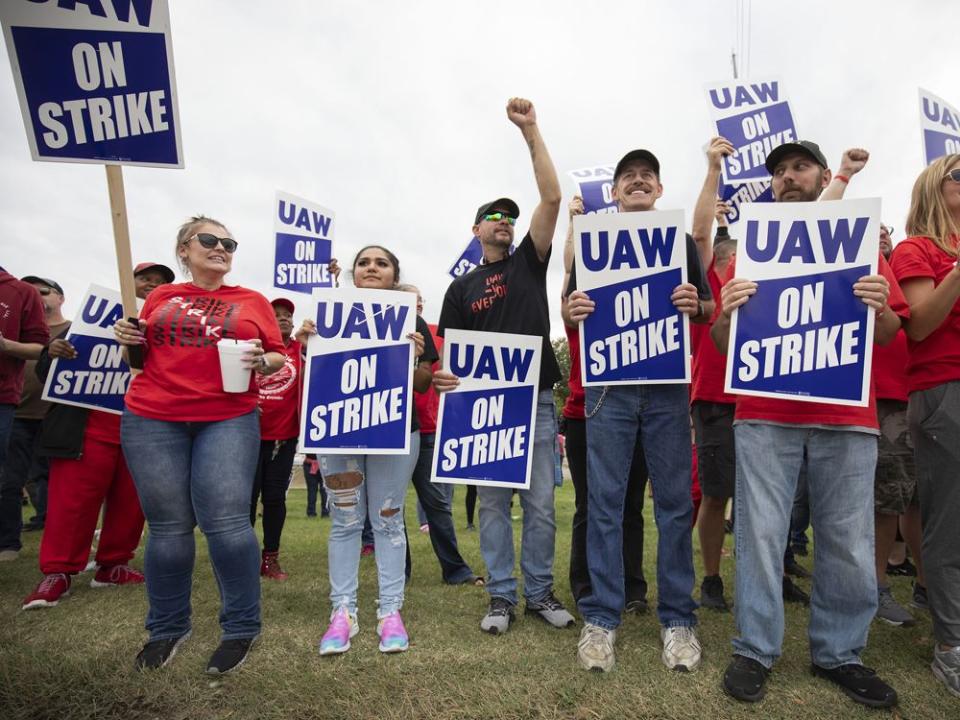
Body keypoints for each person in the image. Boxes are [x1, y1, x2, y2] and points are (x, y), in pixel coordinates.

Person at [713, 141, 904, 708]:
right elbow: (726, 345)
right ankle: (754, 648)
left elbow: (891, 333)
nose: (787, 178)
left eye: (799, 168)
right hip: (765, 416)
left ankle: (840, 652)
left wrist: (881, 306)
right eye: (778, 172)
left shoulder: (862, 241)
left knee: (846, 540)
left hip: (846, 417)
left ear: (823, 176)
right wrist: (726, 313)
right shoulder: (750, 251)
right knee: (761, 536)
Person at [115, 218, 286, 675]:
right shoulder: (161, 297)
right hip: (153, 416)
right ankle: (167, 628)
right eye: (209, 240)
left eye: (228, 242)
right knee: (168, 528)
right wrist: (128, 339)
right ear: (184, 250)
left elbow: (276, 355)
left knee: (228, 524)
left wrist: (262, 361)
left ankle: (240, 627)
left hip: (227, 417)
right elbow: (140, 356)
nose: (221, 248)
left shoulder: (252, 301)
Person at [567, 146, 714, 673]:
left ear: (658, 189)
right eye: (627, 176)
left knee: (674, 504)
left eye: (646, 175)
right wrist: (574, 306)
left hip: (669, 387)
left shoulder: (678, 241)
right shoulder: (592, 242)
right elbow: (569, 303)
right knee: (604, 505)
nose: (637, 181)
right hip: (610, 387)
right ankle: (602, 619)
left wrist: (694, 304)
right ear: (614, 193)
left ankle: (678, 619)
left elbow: (710, 308)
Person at [433, 98, 574, 636]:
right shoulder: (460, 288)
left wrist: (531, 130)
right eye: (494, 218)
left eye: (510, 219)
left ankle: (539, 592)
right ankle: (500, 597)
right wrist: (445, 378)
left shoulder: (528, 262)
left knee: (540, 506)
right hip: (479, 409)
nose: (504, 223)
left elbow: (553, 197)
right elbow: (448, 354)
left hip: (534, 400)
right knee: (491, 507)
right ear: (476, 230)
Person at [22, 263, 175, 609]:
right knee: (72, 502)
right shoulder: (92, 320)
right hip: (87, 429)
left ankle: (113, 565)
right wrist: (52, 353)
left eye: (159, 283)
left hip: (141, 429)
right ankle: (58, 572)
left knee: (132, 502)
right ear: (127, 283)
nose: (151, 287)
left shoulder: (170, 328)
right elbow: (51, 371)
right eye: (144, 280)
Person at [309, 245, 436, 656]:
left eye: (381, 263)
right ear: (353, 272)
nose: (371, 268)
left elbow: (422, 384)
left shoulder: (412, 320)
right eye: (364, 262)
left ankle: (390, 612)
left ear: (394, 274)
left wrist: (415, 357)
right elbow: (317, 371)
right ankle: (342, 612)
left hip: (397, 431)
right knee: (345, 521)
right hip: (339, 430)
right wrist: (307, 340)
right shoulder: (330, 313)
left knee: (388, 519)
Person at [889, 153, 960, 697]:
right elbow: (920, 326)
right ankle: (951, 646)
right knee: (947, 521)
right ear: (936, 188)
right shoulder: (918, 250)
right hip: (943, 393)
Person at [560, 196, 650, 615]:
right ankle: (587, 585)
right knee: (591, 505)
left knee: (631, 505)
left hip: (638, 413)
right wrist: (574, 225)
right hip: (584, 415)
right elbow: (569, 273)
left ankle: (632, 587)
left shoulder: (645, 309)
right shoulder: (581, 310)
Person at [397, 283, 482, 587]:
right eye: (406, 299)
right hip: (394, 429)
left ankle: (456, 570)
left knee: (437, 504)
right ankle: (399, 571)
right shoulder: (380, 331)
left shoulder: (432, 331)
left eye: (418, 300)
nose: (414, 304)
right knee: (391, 505)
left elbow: (457, 361)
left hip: (430, 429)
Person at [871, 224, 925, 628]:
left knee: (909, 497)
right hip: (872, 397)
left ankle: (921, 584)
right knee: (883, 500)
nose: (882, 237)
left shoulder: (898, 274)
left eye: (885, 231)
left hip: (910, 398)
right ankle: (874, 587)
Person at [0, 276, 69, 556]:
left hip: (54, 415)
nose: (39, 296)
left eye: (45, 292)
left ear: (60, 298)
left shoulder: (72, 330)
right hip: (19, 412)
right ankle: (8, 541)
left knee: (55, 477)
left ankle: (59, 534)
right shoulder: (16, 327)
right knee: (12, 478)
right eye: (35, 292)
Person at [250, 297, 305, 581]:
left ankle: (270, 558)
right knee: (246, 498)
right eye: (277, 315)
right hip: (248, 436)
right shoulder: (253, 346)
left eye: (288, 315)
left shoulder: (301, 349)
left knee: (274, 498)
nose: (283, 319)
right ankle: (243, 558)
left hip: (284, 439)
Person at [0, 268, 49, 562]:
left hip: (15, 404)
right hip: (20, 410)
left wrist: (4, 345)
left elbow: (39, 348)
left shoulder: (18, 291)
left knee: (23, 474)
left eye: (47, 291)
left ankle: (8, 540)